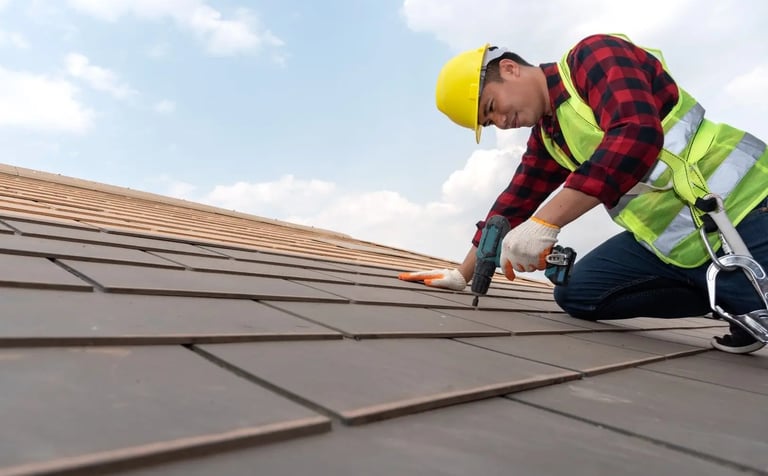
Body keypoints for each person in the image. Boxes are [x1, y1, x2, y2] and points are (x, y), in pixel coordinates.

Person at [398, 33, 768, 354]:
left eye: (492, 108)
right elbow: (516, 199)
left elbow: (636, 135)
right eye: (489, 122)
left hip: (747, 207)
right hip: (683, 243)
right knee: (577, 293)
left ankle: (745, 295)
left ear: (509, 69)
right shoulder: (550, 134)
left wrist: (547, 221)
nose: (501, 123)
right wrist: (464, 273)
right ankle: (733, 297)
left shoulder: (595, 56)